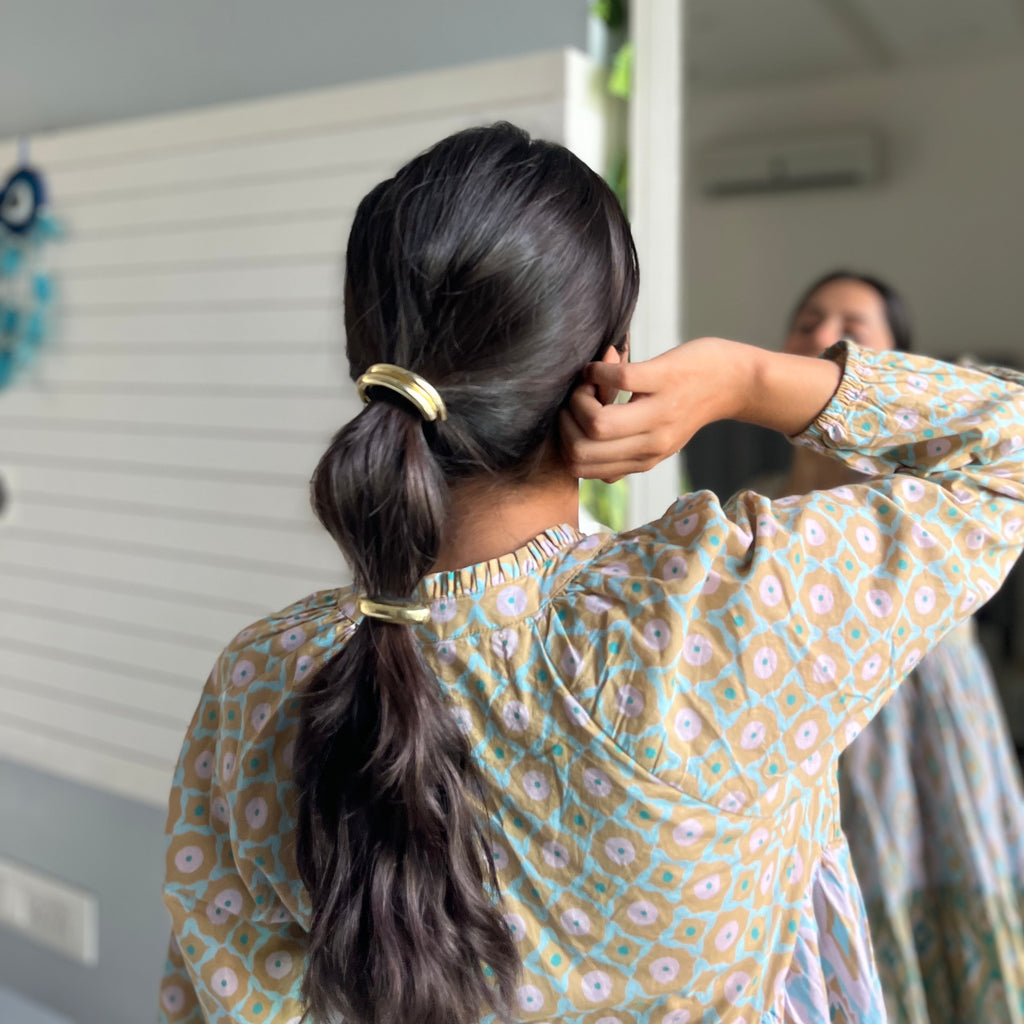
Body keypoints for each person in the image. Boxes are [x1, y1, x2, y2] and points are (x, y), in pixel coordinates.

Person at [157, 125, 1024, 1024]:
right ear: (606, 364)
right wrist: (744, 379)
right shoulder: (713, 611)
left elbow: (215, 1000)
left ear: (368, 361)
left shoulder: (259, 679)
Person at [769, 270, 1024, 1024]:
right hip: (807, 757)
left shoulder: (932, 495)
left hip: (930, 752)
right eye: (807, 320)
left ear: (894, 365)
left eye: (852, 326)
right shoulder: (746, 507)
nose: (822, 336)